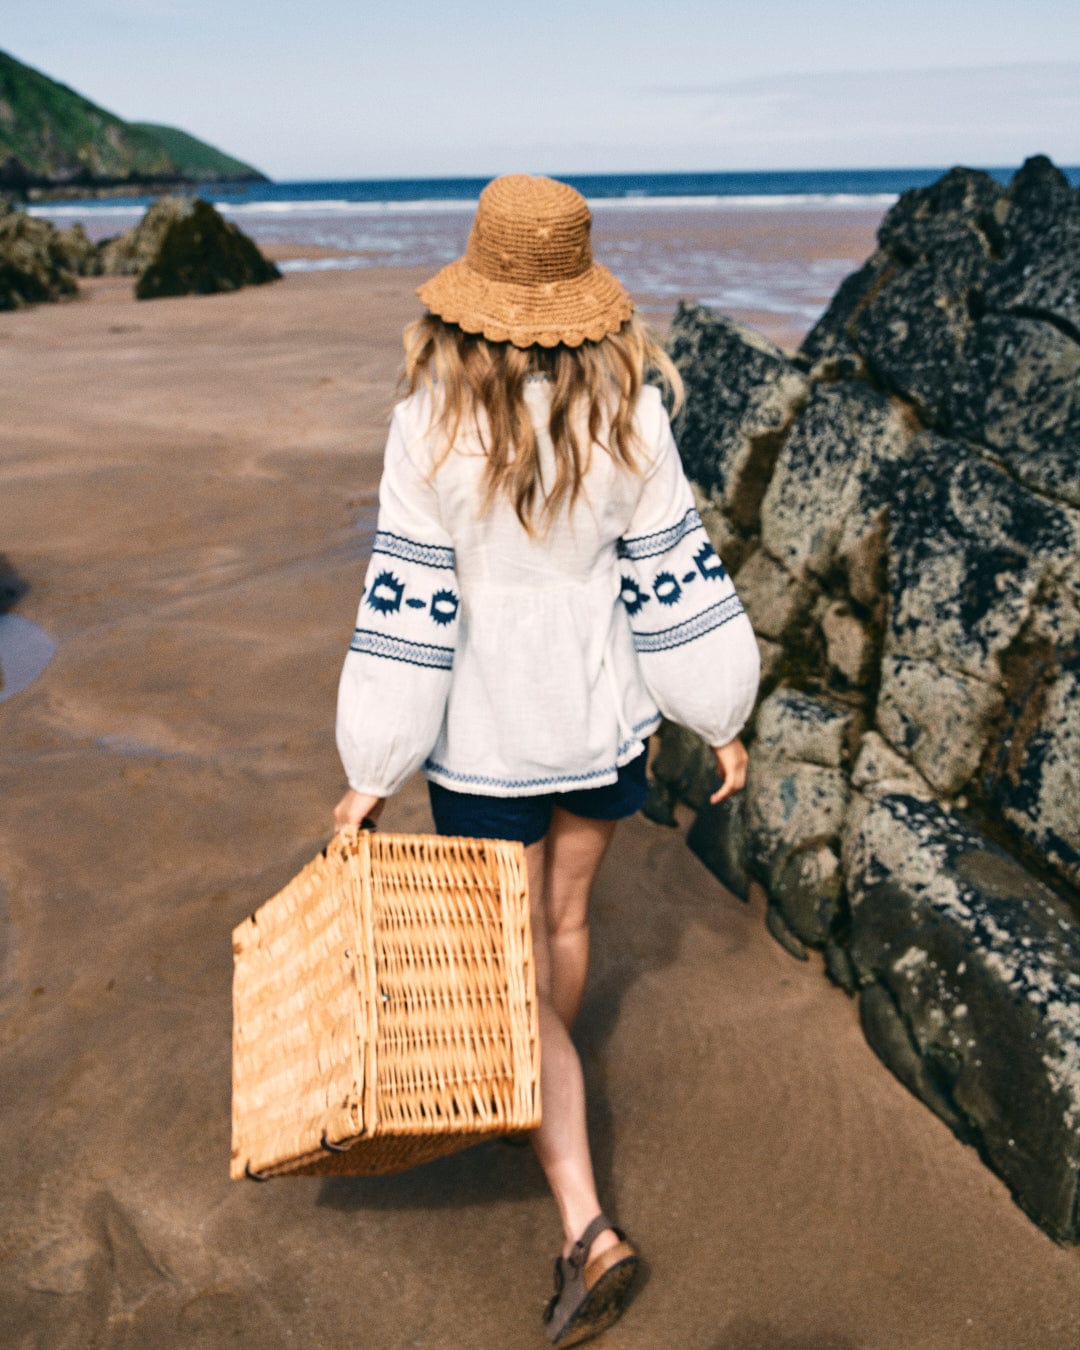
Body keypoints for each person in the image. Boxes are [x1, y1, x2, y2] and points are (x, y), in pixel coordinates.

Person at [332, 174, 760, 1347]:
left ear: (470, 298)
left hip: (486, 733)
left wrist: (374, 761)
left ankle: (584, 1222)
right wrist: (718, 711)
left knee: (509, 964)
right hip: (599, 715)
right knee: (563, 926)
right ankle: (540, 1095)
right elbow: (676, 577)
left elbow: (411, 605)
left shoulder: (427, 422)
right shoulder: (632, 415)